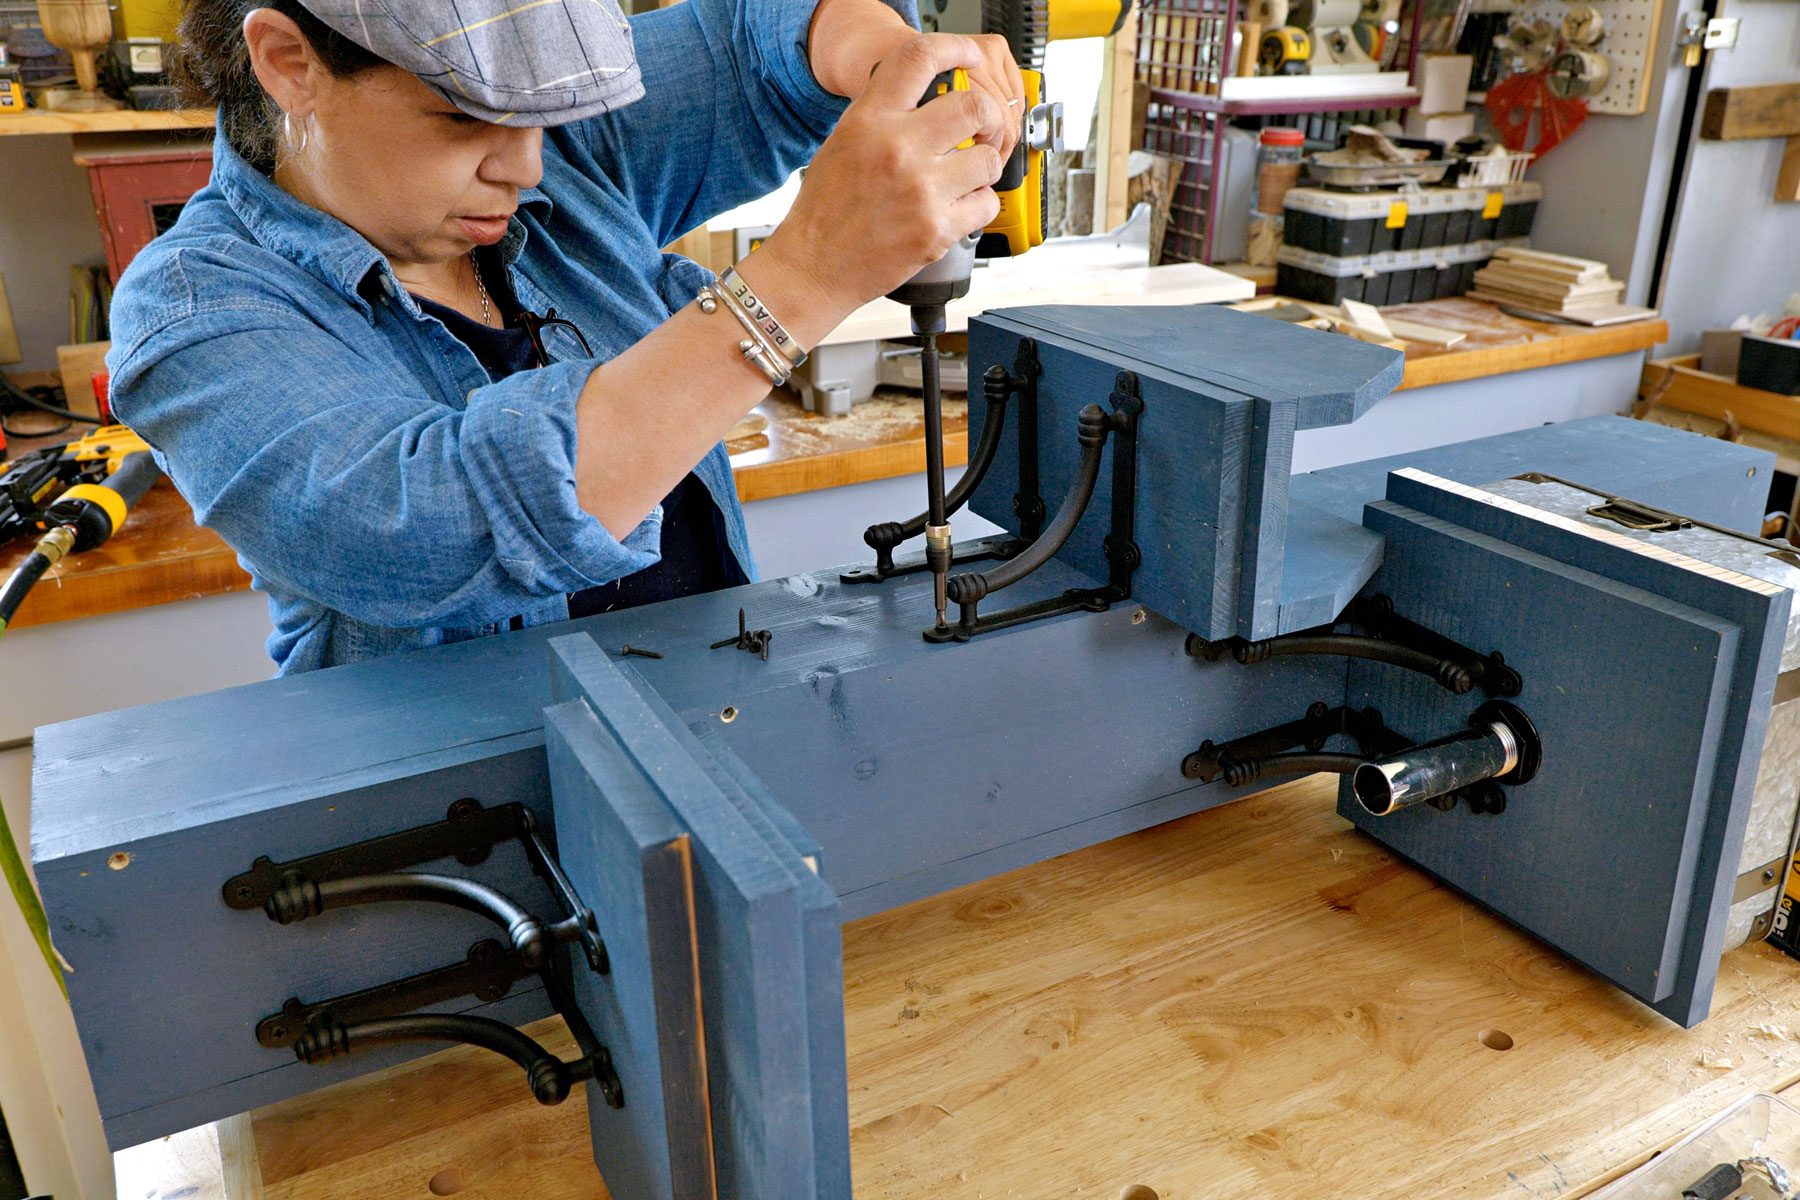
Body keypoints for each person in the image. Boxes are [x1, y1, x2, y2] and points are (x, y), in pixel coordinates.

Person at [108, 0, 1024, 673]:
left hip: (708, 722)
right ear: (289, 61)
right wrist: (805, 277)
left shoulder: (553, 170)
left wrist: (886, 53)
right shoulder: (196, 309)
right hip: (467, 843)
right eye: (467, 117)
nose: (529, 165)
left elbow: (756, 42)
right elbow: (434, 529)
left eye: (548, 114)